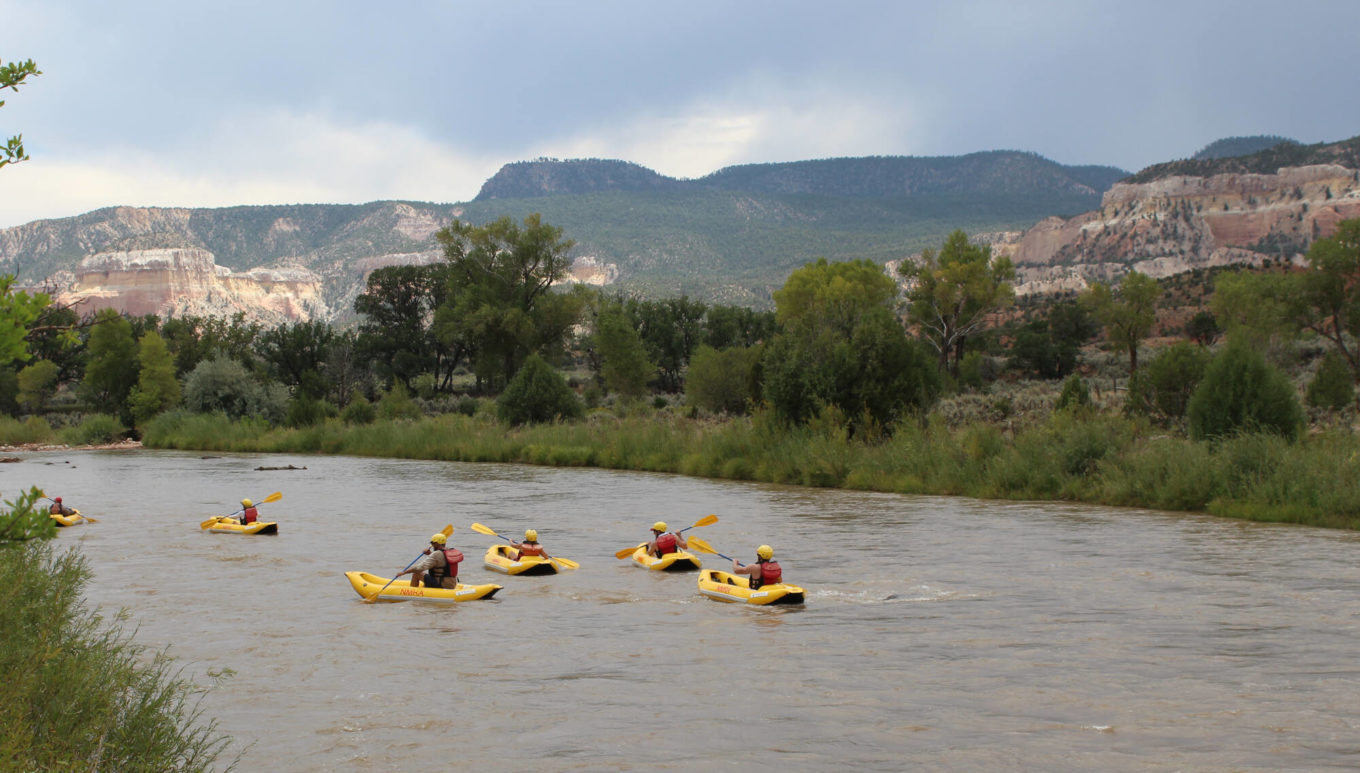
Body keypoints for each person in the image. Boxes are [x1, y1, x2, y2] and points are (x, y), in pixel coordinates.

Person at [397, 532, 464, 589]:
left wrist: (404, 572)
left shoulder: (436, 554)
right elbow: (441, 561)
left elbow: (419, 568)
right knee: (425, 579)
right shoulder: (448, 551)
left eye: (432, 543)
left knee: (416, 574)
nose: (432, 545)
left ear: (437, 543)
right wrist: (430, 554)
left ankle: (411, 593)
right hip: (452, 584)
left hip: (441, 583)